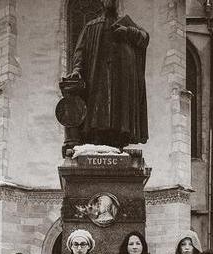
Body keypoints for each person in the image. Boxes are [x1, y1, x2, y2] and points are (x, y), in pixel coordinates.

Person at [64, 0, 149, 148]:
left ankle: (118, 139)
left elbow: (144, 38)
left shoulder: (126, 24)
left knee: (119, 114)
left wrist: (128, 32)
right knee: (98, 111)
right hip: (97, 79)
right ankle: (97, 137)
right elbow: (80, 52)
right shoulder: (91, 26)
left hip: (121, 81)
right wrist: (77, 70)